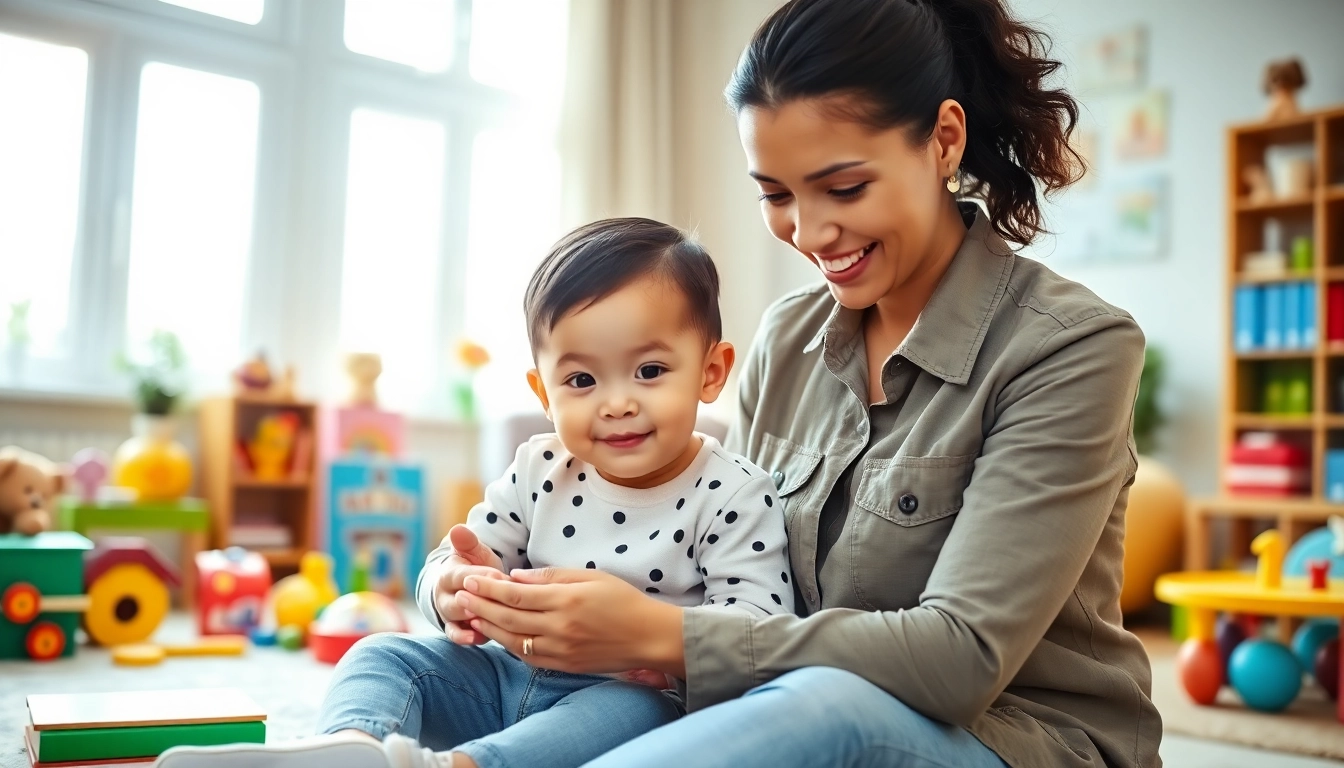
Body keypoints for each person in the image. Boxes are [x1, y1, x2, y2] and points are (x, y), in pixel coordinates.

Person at [441, 0, 1163, 766]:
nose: (810, 234)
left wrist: (657, 632)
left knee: (825, 705)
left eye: (845, 189)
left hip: (1014, 738)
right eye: (776, 195)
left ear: (944, 141)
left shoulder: (1072, 347)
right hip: (788, 705)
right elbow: (732, 556)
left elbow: (961, 660)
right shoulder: (789, 338)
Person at [155, 218, 793, 768]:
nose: (617, 402)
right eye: (580, 378)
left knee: (634, 716)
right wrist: (452, 591)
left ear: (710, 373)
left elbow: (759, 635)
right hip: (500, 675)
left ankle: (463, 765)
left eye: (650, 371)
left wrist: (661, 644)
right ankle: (350, 748)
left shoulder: (734, 492)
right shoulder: (539, 467)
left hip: (624, 695)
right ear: (543, 395)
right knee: (382, 653)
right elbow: (446, 562)